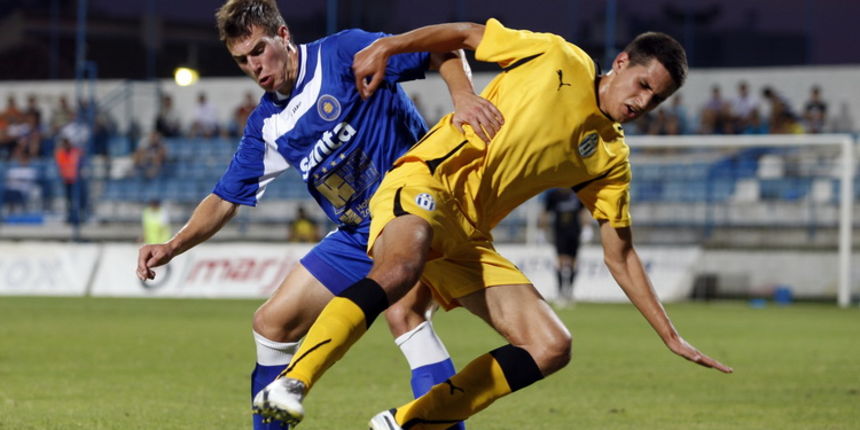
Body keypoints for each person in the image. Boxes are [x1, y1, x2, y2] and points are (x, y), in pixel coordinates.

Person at [253, 19, 733, 429]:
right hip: (424, 181)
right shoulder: (557, 57)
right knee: (399, 269)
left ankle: (407, 422)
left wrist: (669, 335)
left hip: (466, 237)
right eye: (644, 85)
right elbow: (463, 34)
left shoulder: (610, 157)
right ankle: (293, 381)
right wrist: (388, 46)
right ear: (623, 62)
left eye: (658, 99)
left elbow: (620, 253)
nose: (645, 102)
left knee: (551, 345)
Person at [135, 1, 502, 429]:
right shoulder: (267, 124)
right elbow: (225, 198)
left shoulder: (344, 52)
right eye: (241, 59)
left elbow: (442, 49)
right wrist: (172, 245)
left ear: (284, 36)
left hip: (416, 210)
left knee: (405, 313)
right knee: (272, 324)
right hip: (358, 233)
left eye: (258, 50)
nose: (254, 66)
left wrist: (464, 99)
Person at [542, 188, 588, 305]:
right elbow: (545, 213)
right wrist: (542, 230)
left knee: (573, 263)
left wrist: (586, 228)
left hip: (574, 233)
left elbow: (583, 212)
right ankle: (560, 293)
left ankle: (569, 292)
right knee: (561, 262)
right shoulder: (553, 195)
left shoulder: (577, 194)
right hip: (559, 233)